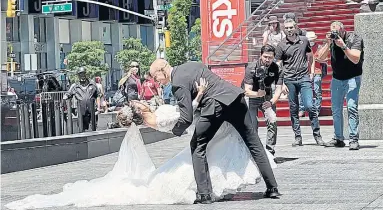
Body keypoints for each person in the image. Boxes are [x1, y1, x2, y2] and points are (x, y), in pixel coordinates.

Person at [5, 79, 277, 209]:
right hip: (199, 124)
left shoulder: (152, 117)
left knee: (194, 161)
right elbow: (184, 118)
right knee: (193, 163)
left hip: (206, 125)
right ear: (138, 112)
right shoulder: (156, 119)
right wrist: (202, 93)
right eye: (136, 103)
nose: (138, 100)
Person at [149, 59, 280, 204]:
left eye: (155, 77)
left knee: (197, 146)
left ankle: (205, 194)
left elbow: (186, 118)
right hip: (235, 98)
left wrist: (175, 131)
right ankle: (272, 187)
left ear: (162, 70)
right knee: (254, 143)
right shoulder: (192, 64)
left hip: (214, 106)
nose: (157, 82)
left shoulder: (177, 83)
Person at [275, 19, 325, 147]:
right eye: (287, 28)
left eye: (291, 27)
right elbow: (278, 65)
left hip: (303, 77)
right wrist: (281, 83)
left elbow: (311, 55)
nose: (289, 29)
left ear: (296, 27)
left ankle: (317, 135)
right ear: (284, 29)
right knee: (293, 109)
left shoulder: (304, 40)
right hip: (289, 79)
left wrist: (312, 70)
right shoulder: (281, 45)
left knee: (309, 105)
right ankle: (298, 137)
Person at [324, 21, 364, 150]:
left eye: (337, 32)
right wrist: (328, 44)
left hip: (353, 77)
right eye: (333, 32)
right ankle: (338, 138)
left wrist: (343, 46)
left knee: (352, 107)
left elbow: (356, 58)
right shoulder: (331, 40)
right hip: (337, 78)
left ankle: (353, 139)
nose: (335, 34)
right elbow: (319, 58)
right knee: (336, 109)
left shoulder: (355, 38)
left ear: (343, 30)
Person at [242, 45, 283, 156]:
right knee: (252, 125)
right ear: (260, 55)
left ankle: (270, 151)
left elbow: (279, 89)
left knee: (272, 119)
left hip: (267, 95)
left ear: (274, 57)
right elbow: (247, 91)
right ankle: (253, 152)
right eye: (265, 57)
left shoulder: (277, 68)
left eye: (270, 57)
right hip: (251, 96)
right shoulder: (251, 67)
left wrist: (271, 102)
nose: (267, 60)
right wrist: (257, 94)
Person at [298, 32, 327, 118]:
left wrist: (318, 59)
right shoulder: (303, 47)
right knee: (302, 90)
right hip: (305, 71)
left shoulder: (319, 47)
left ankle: (316, 109)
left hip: (317, 71)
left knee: (317, 90)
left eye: (311, 40)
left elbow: (324, 60)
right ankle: (302, 109)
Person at [63, 67, 98, 131]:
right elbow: (68, 94)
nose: (82, 76)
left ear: (86, 74)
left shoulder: (92, 84)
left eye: (83, 74)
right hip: (81, 112)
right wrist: (64, 99)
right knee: (82, 129)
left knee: (93, 129)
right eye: (80, 74)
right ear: (78, 76)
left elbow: (97, 95)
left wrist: (97, 106)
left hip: (92, 111)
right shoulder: (75, 86)